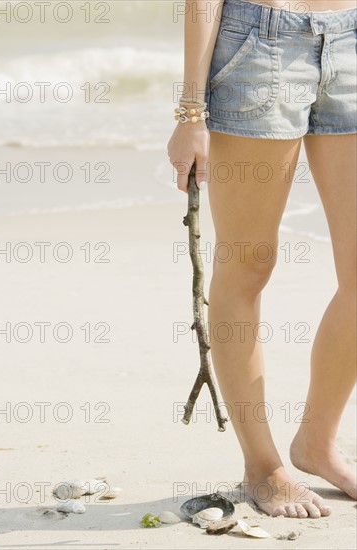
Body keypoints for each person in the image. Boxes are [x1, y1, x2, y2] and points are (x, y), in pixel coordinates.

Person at [167, 0, 357, 518]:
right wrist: (191, 112)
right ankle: (262, 466)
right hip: (259, 44)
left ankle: (316, 444)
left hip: (351, 38)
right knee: (249, 264)